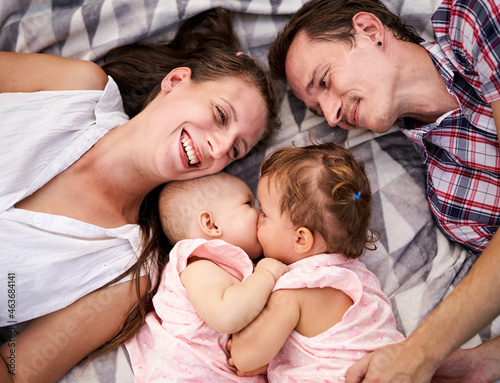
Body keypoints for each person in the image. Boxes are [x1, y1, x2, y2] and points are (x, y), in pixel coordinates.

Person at [0, 7, 279, 382]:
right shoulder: (77, 89)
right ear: (177, 81)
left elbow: (15, 369)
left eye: (234, 151)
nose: (218, 147)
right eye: (221, 115)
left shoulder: (127, 272)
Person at [267, 0, 500, 381]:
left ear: (370, 31)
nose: (331, 116)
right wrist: (482, 361)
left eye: (324, 81)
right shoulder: (453, 202)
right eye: (318, 106)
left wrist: (422, 351)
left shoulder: (473, 20)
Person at [228, 143, 404, 381]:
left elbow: (244, 357)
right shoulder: (360, 279)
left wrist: (242, 349)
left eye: (265, 214)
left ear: (301, 238)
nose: (257, 218)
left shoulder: (295, 291)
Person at [125, 172, 288, 382]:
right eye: (249, 204)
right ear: (211, 224)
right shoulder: (198, 267)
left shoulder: (235, 269)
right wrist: (267, 274)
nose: (259, 214)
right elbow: (227, 316)